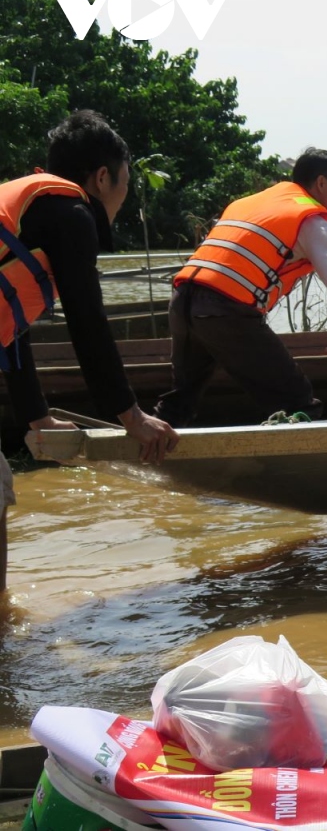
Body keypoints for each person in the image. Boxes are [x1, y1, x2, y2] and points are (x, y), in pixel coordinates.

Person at [0, 110, 179, 589]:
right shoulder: (73, 213)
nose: (123, 195)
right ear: (103, 176)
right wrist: (131, 416)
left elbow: (9, 325)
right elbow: (88, 322)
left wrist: (35, 416)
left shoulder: (31, 211)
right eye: (125, 183)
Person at [154, 148, 327, 427]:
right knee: (297, 401)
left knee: (180, 400)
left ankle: (143, 456)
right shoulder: (311, 219)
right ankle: (293, 467)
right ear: (321, 184)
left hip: (182, 302)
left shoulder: (251, 202)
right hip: (225, 311)